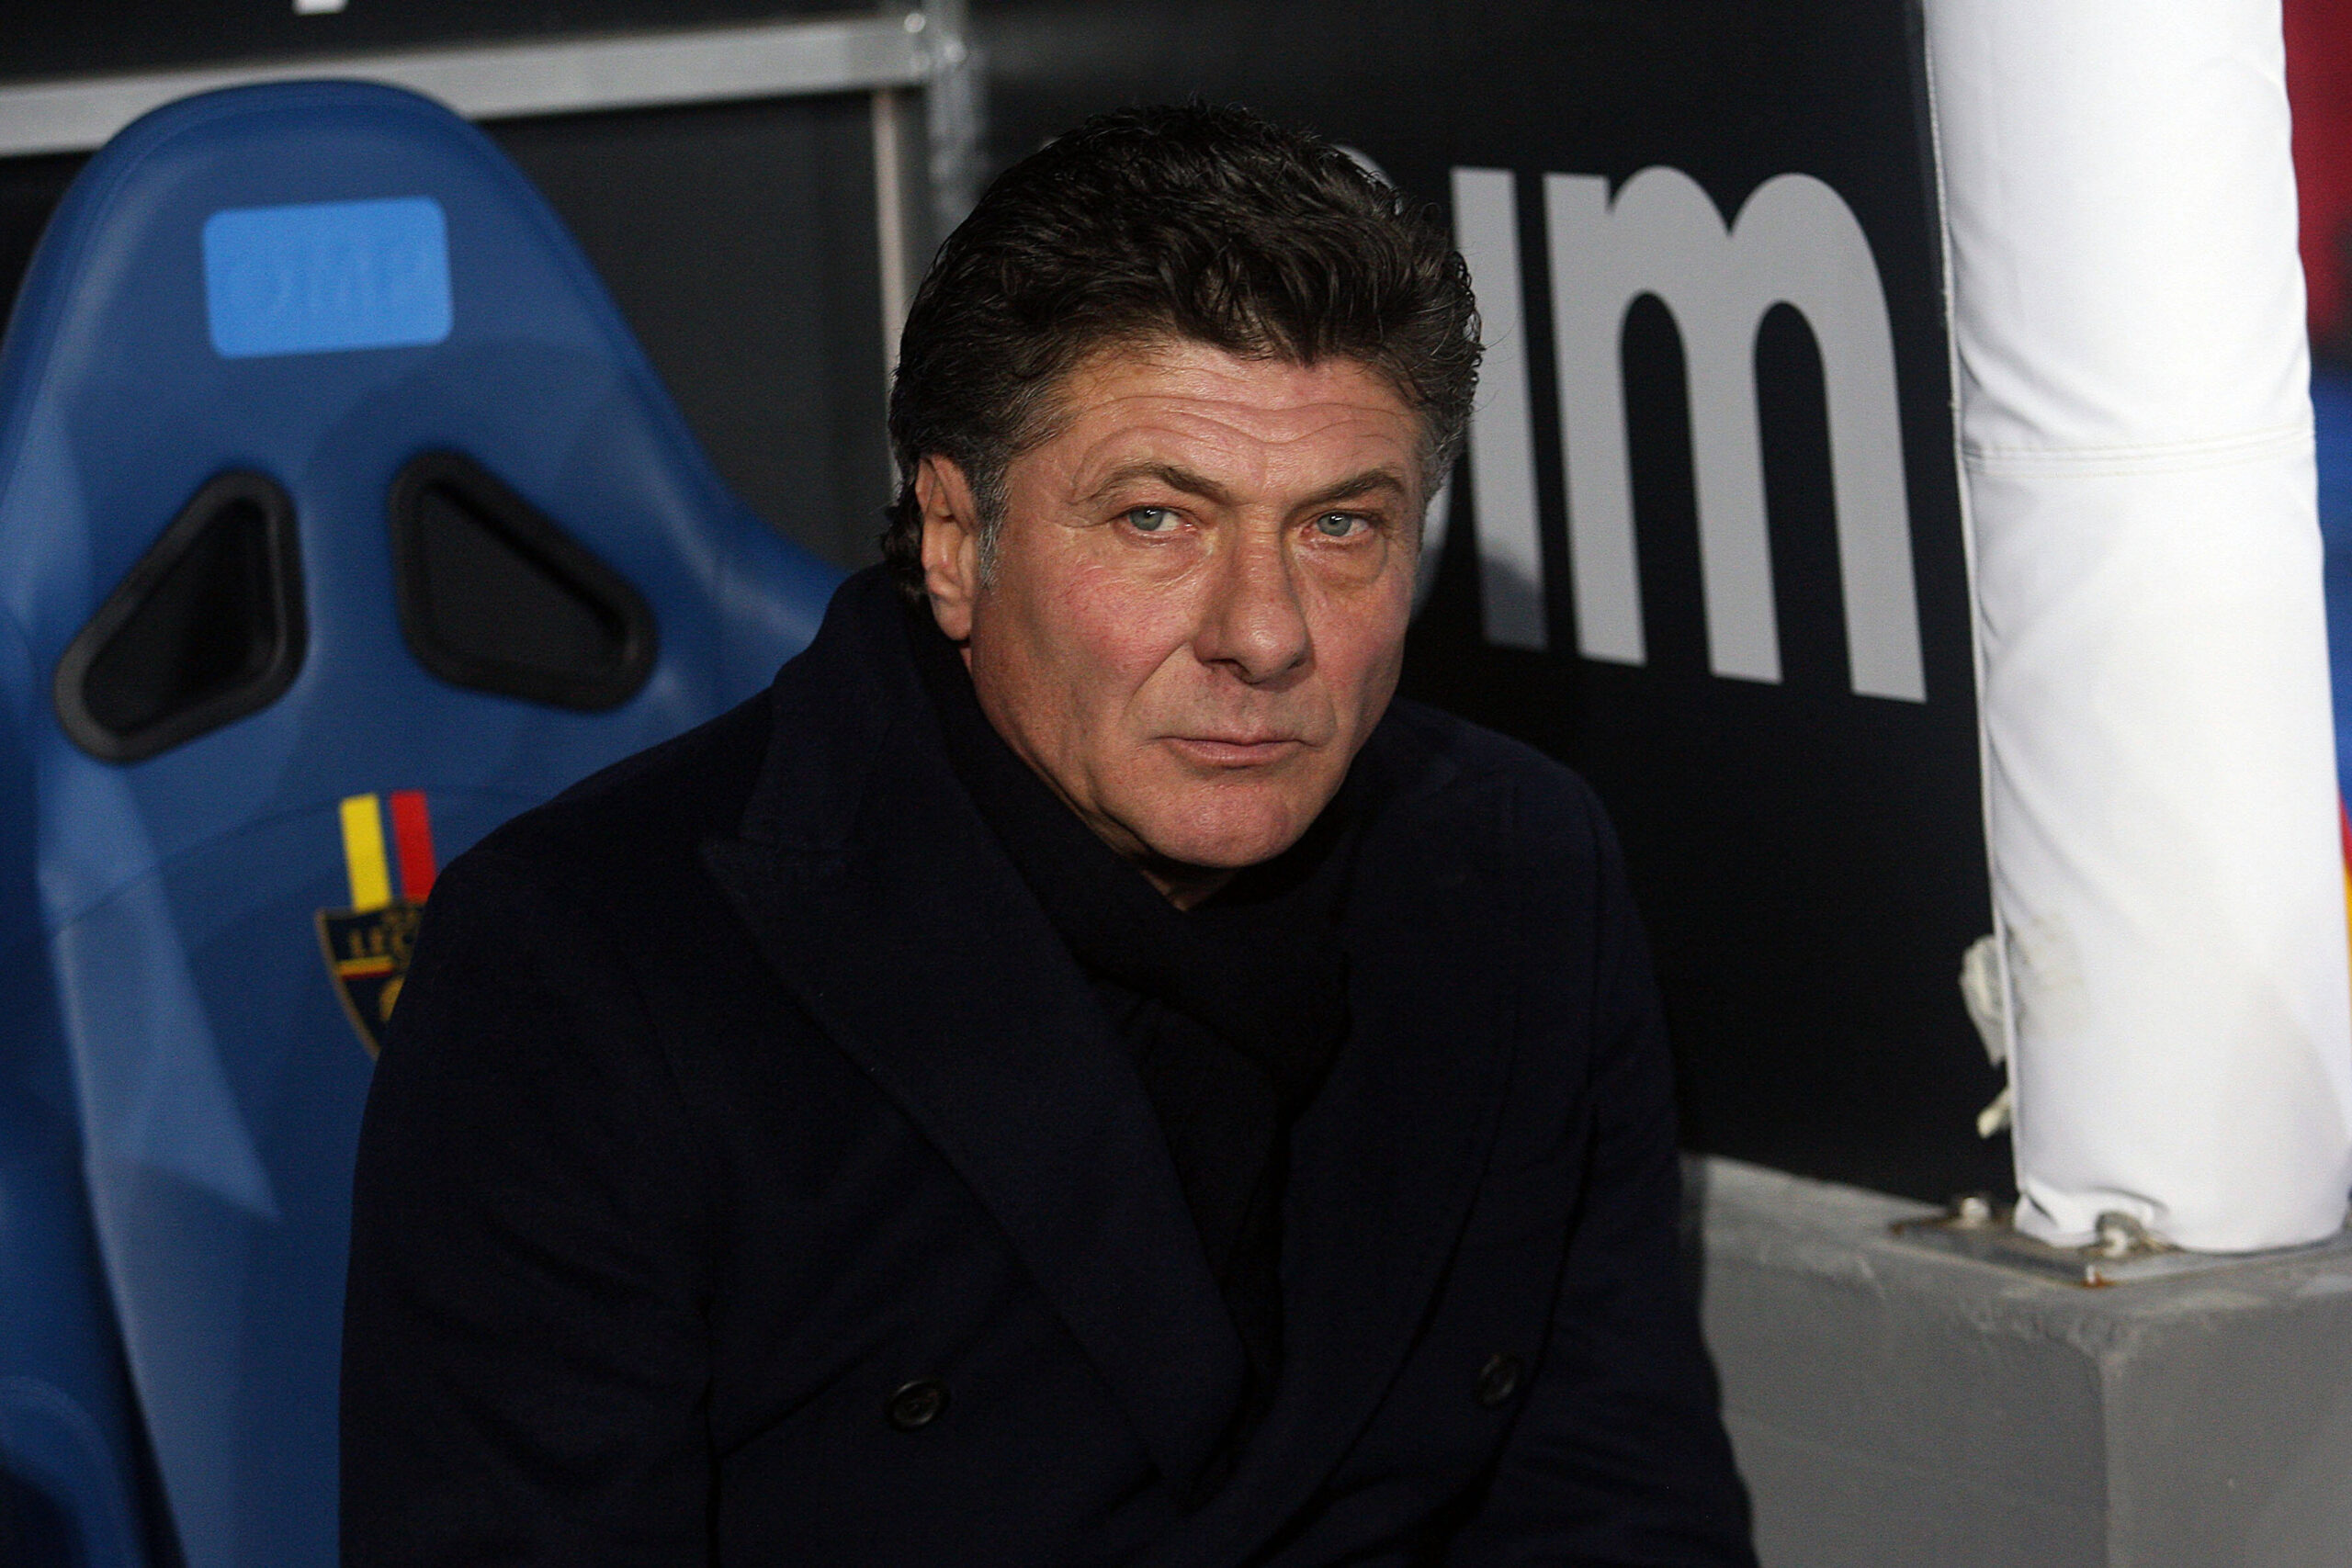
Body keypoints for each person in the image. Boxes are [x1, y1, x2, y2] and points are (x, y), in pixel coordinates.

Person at [341, 103, 1755, 1566]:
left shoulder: (1517, 873)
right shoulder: (594, 967)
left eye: (1340, 527)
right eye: (1158, 520)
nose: (1265, 633)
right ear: (957, 541)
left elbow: (1619, 1507)